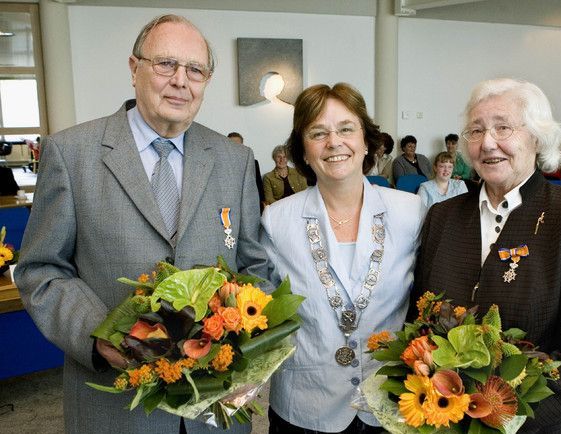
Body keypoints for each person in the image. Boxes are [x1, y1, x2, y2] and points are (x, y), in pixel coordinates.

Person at [15, 14, 269, 434]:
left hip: (213, 406)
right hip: (115, 406)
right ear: (135, 69)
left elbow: (254, 266)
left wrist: (246, 351)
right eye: (165, 64)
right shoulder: (71, 153)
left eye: (195, 70)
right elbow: (41, 269)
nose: (180, 81)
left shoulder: (235, 160)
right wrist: (98, 337)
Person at [413, 78, 561, 433]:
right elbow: (419, 317)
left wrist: (505, 417)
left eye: (503, 128)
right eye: (476, 131)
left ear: (537, 138)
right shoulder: (442, 216)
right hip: (447, 418)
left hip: (544, 424)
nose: (488, 142)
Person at [260, 82, 426, 433]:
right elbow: (263, 310)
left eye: (346, 129)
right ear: (302, 151)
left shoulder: (410, 213)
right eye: (318, 133)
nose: (334, 142)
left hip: (390, 402)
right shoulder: (277, 220)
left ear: (366, 141)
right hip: (305, 406)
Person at [228, 131, 265, 208]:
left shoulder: (253, 162)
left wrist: (262, 201)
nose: (235, 147)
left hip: (250, 203)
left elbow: (258, 183)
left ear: (243, 146)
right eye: (232, 144)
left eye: (238, 145)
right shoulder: (221, 164)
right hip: (230, 204)